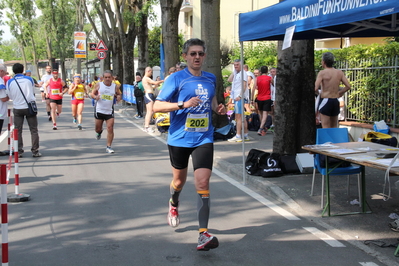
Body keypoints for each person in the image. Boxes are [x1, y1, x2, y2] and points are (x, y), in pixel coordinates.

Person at [153, 38, 225, 251]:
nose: (197, 57)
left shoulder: (211, 79)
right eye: (192, 53)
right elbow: (157, 105)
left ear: (204, 56)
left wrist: (217, 110)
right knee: (179, 182)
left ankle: (203, 234)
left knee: (202, 182)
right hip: (179, 138)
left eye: (200, 54)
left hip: (204, 137)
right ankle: (174, 202)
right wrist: (182, 104)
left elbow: (211, 103)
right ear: (185, 56)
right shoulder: (176, 79)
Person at [6, 63, 41, 158]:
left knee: (18, 130)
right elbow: (32, 90)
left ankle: (19, 151)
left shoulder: (10, 82)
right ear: (23, 70)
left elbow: (9, 95)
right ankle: (35, 151)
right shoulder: (29, 79)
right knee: (33, 130)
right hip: (29, 107)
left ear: (13, 71)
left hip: (17, 107)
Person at [315, 52, 351, 128]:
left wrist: (318, 93)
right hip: (335, 100)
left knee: (325, 126)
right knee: (334, 126)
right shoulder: (339, 72)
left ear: (324, 62)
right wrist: (340, 93)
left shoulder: (322, 73)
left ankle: (327, 140)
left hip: (325, 100)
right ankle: (335, 140)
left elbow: (315, 88)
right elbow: (348, 86)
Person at [91, 70, 122, 154]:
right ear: (103, 78)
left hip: (109, 111)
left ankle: (109, 146)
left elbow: (118, 94)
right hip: (99, 110)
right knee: (97, 129)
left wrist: (118, 97)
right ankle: (99, 132)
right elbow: (92, 94)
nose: (107, 79)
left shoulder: (115, 86)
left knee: (110, 128)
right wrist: (95, 97)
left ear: (112, 78)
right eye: (106, 77)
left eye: (109, 77)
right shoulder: (99, 85)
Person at [228, 59, 249, 142]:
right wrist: (234, 71)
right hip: (236, 96)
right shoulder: (237, 73)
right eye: (235, 65)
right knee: (242, 117)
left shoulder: (243, 73)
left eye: (237, 65)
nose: (235, 66)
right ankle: (246, 134)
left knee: (238, 117)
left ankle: (238, 135)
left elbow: (244, 86)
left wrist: (240, 96)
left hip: (239, 97)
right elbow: (229, 80)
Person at [252, 66, 274, 136]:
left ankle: (262, 127)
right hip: (267, 97)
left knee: (260, 113)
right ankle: (261, 128)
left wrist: (252, 99)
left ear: (260, 72)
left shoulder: (257, 79)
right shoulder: (269, 78)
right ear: (267, 71)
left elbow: (254, 88)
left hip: (259, 98)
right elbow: (274, 85)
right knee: (265, 114)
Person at [142, 67, 163, 133]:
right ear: (148, 71)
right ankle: (147, 126)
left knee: (151, 111)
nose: (151, 74)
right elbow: (154, 82)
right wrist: (162, 81)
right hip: (148, 95)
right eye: (151, 72)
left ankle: (147, 125)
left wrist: (156, 86)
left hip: (150, 94)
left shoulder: (146, 79)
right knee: (149, 111)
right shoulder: (146, 78)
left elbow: (152, 86)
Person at [0, 64, 9, 134]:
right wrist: (10, 96)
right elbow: (3, 98)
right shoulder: (0, 82)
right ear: (1, 71)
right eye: (5, 73)